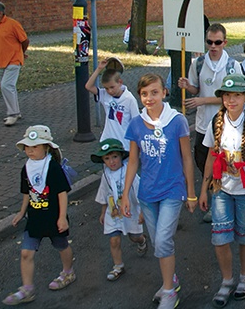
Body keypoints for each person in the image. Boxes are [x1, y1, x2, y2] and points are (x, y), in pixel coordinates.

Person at [121, 74, 198, 309]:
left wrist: (191, 192)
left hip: (172, 190)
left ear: (164, 92)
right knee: (158, 244)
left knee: (164, 240)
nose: (149, 98)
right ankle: (170, 280)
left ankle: (168, 292)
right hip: (147, 193)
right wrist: (126, 194)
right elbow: (133, 161)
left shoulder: (177, 121)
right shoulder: (136, 123)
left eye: (154, 92)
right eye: (144, 94)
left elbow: (187, 157)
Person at [199, 74, 245, 308]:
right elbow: (211, 156)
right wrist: (202, 190)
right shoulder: (216, 121)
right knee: (220, 238)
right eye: (227, 95)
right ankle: (227, 280)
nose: (231, 100)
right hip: (221, 188)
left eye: (237, 95)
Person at [3, 125, 74, 305]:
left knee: (62, 245)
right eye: (27, 147)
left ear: (46, 147)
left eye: (34, 147)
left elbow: (62, 193)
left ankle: (68, 272)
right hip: (34, 218)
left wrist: (62, 217)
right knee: (26, 252)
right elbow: (27, 192)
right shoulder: (26, 169)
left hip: (53, 217)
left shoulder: (53, 167)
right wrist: (21, 212)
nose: (30, 151)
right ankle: (27, 289)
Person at [178, 23, 242, 176]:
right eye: (209, 42)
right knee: (201, 158)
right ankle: (210, 188)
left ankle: (218, 189)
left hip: (226, 122)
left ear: (225, 43)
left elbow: (235, 97)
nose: (213, 46)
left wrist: (203, 100)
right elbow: (196, 89)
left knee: (223, 160)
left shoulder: (233, 66)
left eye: (218, 42)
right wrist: (188, 86)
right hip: (203, 122)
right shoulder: (199, 63)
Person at [91, 138, 148, 281]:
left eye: (114, 157)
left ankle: (141, 240)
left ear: (121, 156)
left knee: (133, 236)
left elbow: (140, 193)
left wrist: (142, 211)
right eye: (107, 158)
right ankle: (118, 266)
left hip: (131, 211)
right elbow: (104, 193)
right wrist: (104, 211)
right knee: (113, 240)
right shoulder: (106, 175)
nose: (111, 161)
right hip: (114, 212)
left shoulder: (130, 172)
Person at [0, 1, 29, 126]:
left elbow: (25, 40)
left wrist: (21, 52)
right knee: (7, 87)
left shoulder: (13, 24)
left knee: (6, 86)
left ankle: (13, 114)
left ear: (0, 13)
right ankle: (16, 111)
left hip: (13, 60)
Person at [85, 59, 140, 150]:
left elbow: (136, 123)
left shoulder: (129, 99)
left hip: (123, 143)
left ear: (120, 82)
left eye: (112, 87)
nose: (110, 91)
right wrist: (99, 69)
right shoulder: (105, 95)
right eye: (106, 88)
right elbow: (88, 86)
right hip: (107, 140)